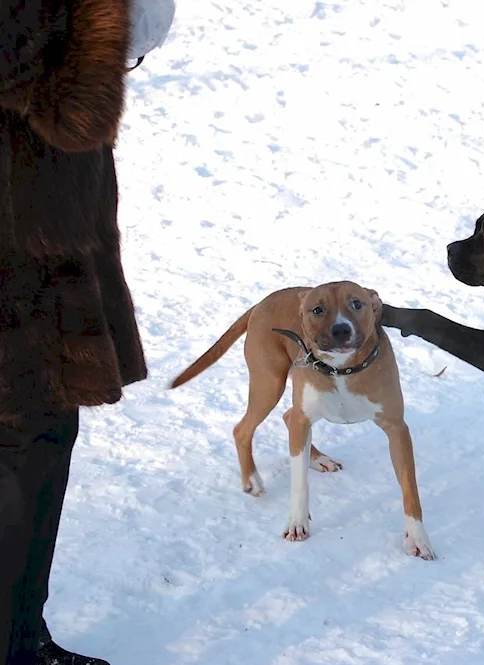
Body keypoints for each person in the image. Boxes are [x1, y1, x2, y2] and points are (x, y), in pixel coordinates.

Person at [1, 0, 173, 663]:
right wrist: (109, 17)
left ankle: (23, 633)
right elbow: (78, 114)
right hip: (22, 254)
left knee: (36, 437)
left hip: (38, 233)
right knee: (28, 439)